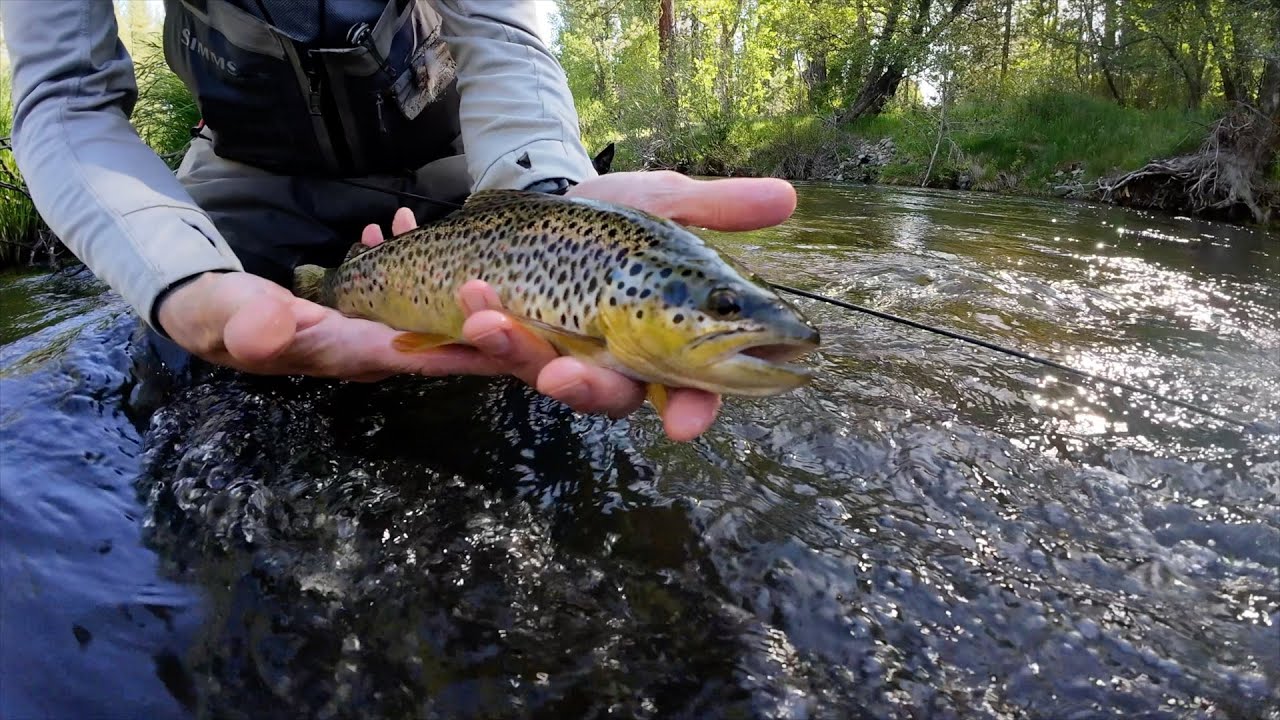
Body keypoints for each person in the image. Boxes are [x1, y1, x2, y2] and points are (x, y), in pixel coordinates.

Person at [1, 0, 798, 441]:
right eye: (721, 310)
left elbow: (504, 37)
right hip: (247, 168)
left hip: (452, 169)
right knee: (176, 390)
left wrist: (550, 190)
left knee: (532, 416)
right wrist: (184, 281)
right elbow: (67, 100)